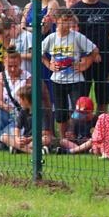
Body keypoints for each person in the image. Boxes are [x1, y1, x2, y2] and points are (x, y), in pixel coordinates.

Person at [42, 8, 98, 138]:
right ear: (56, 21)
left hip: (76, 80)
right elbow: (38, 53)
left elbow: (94, 50)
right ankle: (63, 139)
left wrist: (85, 64)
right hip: (57, 80)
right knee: (60, 112)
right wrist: (49, 64)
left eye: (69, 20)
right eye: (64, 21)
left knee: (78, 110)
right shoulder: (51, 38)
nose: (67, 24)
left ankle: (78, 135)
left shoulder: (76, 37)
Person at [70, 0, 109, 113]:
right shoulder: (75, 10)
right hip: (83, 60)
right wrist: (90, 54)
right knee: (81, 99)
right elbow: (73, 37)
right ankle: (82, 125)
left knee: (103, 98)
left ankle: (101, 122)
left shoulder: (107, 9)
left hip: (104, 59)